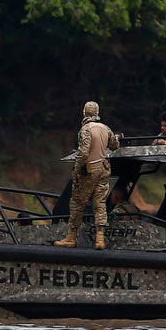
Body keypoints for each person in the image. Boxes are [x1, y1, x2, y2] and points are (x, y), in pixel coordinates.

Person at [55, 101, 119, 250]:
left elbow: (83, 152)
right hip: (104, 169)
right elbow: (115, 145)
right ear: (97, 112)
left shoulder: (85, 129)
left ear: (84, 113)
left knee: (77, 203)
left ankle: (71, 237)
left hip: (89, 170)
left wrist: (76, 170)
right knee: (100, 203)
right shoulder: (105, 128)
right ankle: (100, 239)